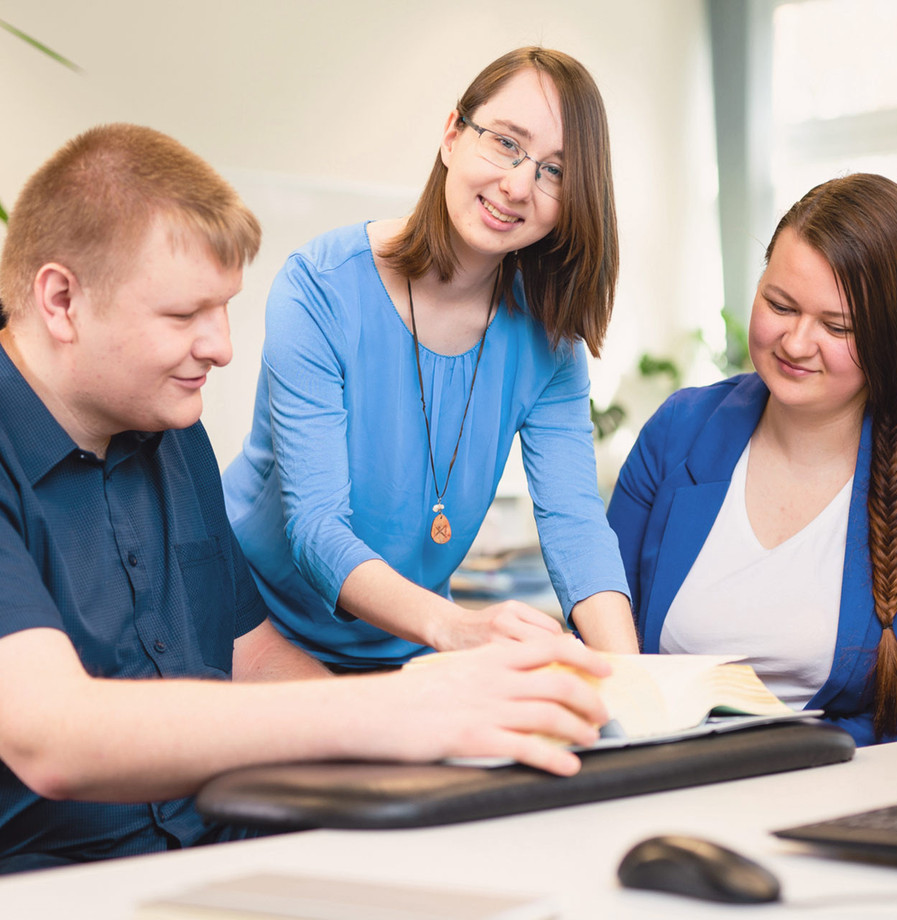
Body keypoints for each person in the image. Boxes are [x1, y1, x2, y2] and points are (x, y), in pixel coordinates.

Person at [0, 123, 616, 873]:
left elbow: (253, 656)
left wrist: (435, 756)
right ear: (61, 300)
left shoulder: (168, 434)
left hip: (221, 848)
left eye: (224, 309)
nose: (222, 347)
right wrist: (398, 711)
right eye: (184, 315)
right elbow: (53, 736)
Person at [222, 47, 639, 671]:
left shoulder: (550, 340)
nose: (519, 185)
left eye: (555, 172)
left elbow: (576, 525)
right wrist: (457, 627)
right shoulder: (320, 287)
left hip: (412, 647)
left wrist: (630, 681)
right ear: (452, 136)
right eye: (505, 142)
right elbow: (314, 528)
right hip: (254, 625)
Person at [607, 172, 897, 746]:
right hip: (662, 775)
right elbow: (594, 625)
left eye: (837, 326)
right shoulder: (679, 432)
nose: (797, 344)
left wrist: (807, 749)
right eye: (780, 304)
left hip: (844, 785)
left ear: (892, 336)